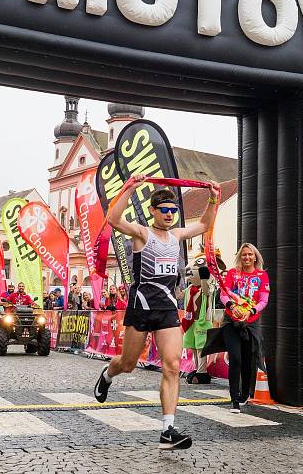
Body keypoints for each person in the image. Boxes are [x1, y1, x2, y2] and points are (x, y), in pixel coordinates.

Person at [93, 174, 220, 450]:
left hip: (166, 309)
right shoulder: (142, 233)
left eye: (173, 211)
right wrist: (129, 188)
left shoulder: (176, 235)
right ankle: (107, 374)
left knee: (172, 366)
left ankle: (167, 429)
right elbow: (114, 220)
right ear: (153, 211)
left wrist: (212, 196)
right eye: (165, 211)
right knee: (126, 364)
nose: (170, 215)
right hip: (141, 308)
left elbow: (205, 224)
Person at [204, 243, 270, 413]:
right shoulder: (233, 273)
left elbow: (264, 300)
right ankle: (234, 399)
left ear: (255, 257)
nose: (247, 257)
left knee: (249, 361)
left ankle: (245, 393)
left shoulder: (262, 276)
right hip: (231, 321)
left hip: (251, 323)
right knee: (235, 358)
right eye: (243, 255)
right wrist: (233, 306)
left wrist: (251, 311)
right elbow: (224, 294)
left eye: (250, 254)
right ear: (240, 257)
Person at [182, 251, 224, 384]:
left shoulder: (209, 287)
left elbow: (207, 292)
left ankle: (202, 372)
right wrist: (176, 283)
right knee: (193, 346)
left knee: (201, 347)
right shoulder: (190, 289)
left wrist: (204, 279)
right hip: (190, 321)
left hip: (203, 321)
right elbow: (179, 295)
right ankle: (197, 369)